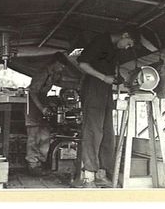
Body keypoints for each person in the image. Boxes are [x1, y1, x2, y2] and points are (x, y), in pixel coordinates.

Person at [75, 26, 140, 188]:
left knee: (108, 133)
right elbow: (83, 64)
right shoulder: (100, 41)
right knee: (93, 132)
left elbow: (107, 71)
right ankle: (88, 176)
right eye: (129, 43)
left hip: (105, 93)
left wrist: (119, 80)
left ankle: (101, 173)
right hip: (93, 91)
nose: (127, 47)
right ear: (124, 34)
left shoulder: (113, 49)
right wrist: (104, 78)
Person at [25, 52, 68, 175]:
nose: (62, 69)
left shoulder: (53, 74)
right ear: (55, 63)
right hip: (33, 104)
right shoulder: (42, 73)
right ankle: (32, 165)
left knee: (44, 135)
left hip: (42, 103)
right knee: (33, 136)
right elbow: (32, 92)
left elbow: (62, 83)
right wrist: (41, 108)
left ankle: (41, 163)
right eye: (61, 66)